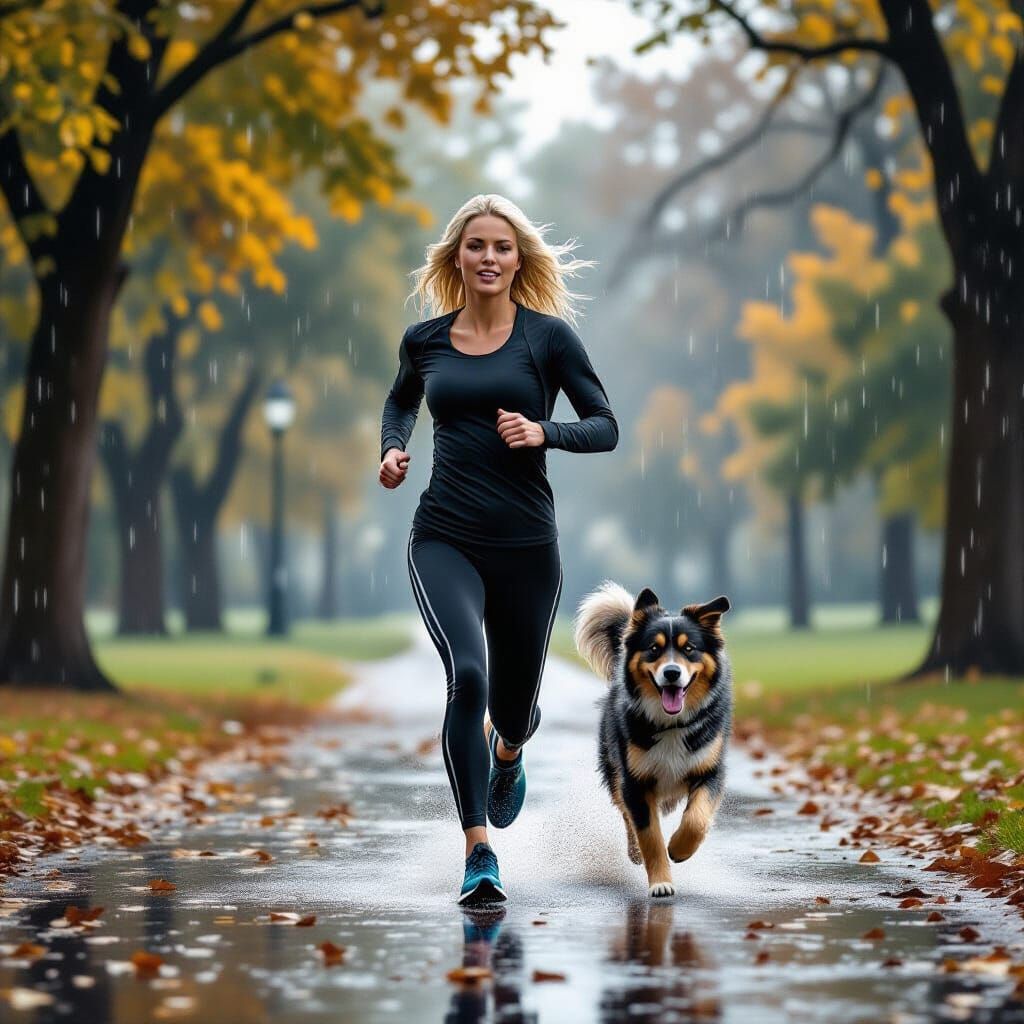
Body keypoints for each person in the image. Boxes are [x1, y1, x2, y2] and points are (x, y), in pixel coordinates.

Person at [378, 193, 618, 904]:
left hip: (526, 548)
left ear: (519, 260)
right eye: (476, 245)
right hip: (443, 536)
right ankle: (479, 852)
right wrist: (393, 449)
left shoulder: (548, 339)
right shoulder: (424, 341)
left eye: (502, 247)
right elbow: (400, 401)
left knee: (512, 710)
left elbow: (604, 425)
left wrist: (546, 431)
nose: (489, 258)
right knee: (469, 675)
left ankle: (509, 750)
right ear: (457, 256)